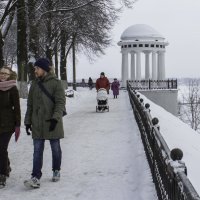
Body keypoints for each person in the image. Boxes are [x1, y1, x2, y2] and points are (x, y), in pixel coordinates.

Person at [24, 58, 66, 189]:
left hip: (53, 122)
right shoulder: (34, 84)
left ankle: (56, 170)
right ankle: (35, 176)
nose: (35, 70)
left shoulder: (56, 83)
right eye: (35, 68)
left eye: (37, 68)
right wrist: (27, 121)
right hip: (37, 123)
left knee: (55, 148)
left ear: (44, 69)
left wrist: (55, 118)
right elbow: (30, 104)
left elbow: (60, 103)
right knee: (37, 151)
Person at [0, 67, 21, 188]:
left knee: (2, 149)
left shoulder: (13, 89)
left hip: (8, 125)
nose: (2, 75)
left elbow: (17, 108)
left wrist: (17, 125)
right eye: (1, 73)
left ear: (10, 75)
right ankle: (6, 165)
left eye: (5, 73)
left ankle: (2, 174)